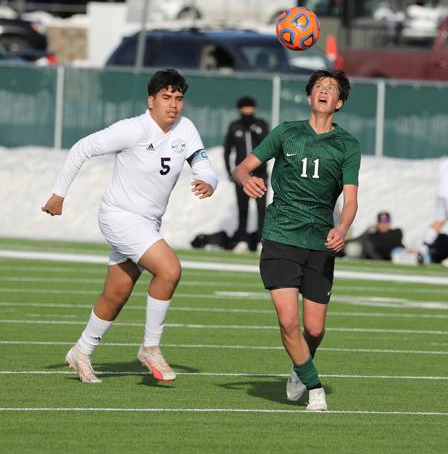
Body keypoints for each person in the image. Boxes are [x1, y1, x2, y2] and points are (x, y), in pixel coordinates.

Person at [41, 68, 218, 384]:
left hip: (148, 222)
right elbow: (82, 147)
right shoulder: (133, 129)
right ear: (151, 100)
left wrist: (208, 180)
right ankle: (150, 347)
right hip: (119, 215)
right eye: (166, 98)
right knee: (169, 270)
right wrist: (58, 194)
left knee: (116, 293)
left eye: (178, 98)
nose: (173, 105)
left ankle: (81, 352)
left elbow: (204, 165)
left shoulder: (186, 129)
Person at [232, 69, 360, 412]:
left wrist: (342, 228)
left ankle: (300, 367)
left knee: (313, 329)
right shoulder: (286, 133)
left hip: (320, 241)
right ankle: (315, 389)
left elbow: (350, 200)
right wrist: (246, 179)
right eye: (318, 87)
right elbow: (242, 167)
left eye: (331, 89)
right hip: (280, 236)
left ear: (339, 102)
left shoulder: (347, 145)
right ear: (309, 97)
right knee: (288, 321)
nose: (324, 91)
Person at [224, 96, 269, 252]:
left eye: (250, 107)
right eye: (245, 108)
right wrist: (230, 172)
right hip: (241, 176)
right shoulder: (235, 126)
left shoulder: (261, 125)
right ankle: (242, 239)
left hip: (260, 174)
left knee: (261, 209)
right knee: (242, 208)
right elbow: (227, 150)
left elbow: (268, 145)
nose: (248, 111)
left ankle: (260, 240)